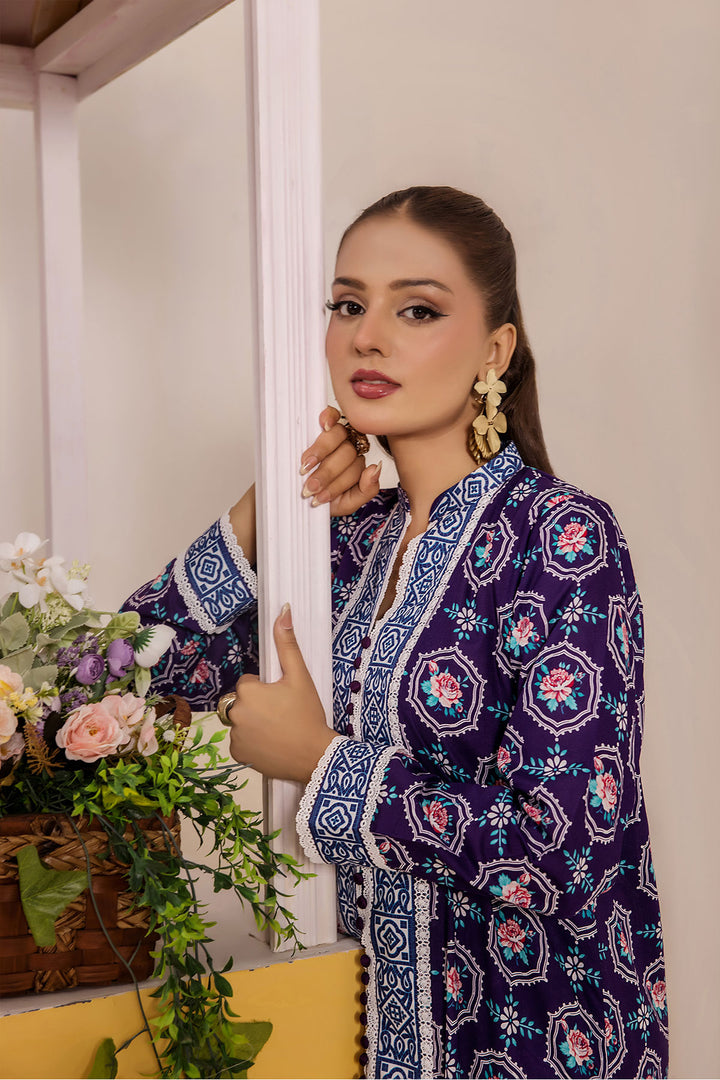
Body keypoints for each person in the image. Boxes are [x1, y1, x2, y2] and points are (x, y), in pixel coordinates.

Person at [124, 187, 668, 1079]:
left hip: (534, 1042)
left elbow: (567, 850)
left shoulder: (562, 538)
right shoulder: (343, 545)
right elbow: (125, 674)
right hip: (359, 1043)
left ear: (496, 350)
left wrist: (320, 759)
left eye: (416, 310)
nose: (366, 338)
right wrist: (268, 504)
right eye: (348, 305)